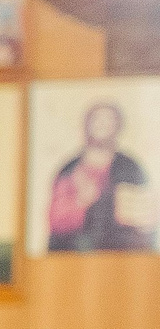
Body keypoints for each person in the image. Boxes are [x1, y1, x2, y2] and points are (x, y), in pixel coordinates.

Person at [46, 100, 156, 252]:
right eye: (97, 119)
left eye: (108, 120)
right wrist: (80, 202)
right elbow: (56, 221)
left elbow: (145, 221)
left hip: (122, 258)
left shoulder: (130, 168)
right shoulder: (70, 169)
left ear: (118, 126)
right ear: (87, 124)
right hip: (74, 259)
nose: (102, 125)